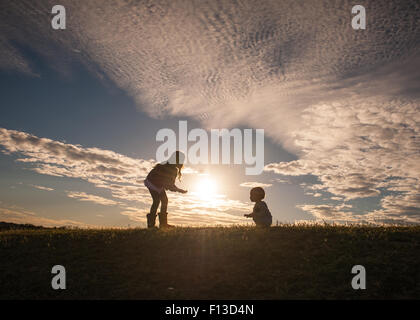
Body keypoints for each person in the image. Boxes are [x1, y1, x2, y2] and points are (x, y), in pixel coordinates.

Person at [144, 151, 187, 228]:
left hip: (158, 183)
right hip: (151, 182)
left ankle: (162, 224)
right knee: (157, 200)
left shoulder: (172, 168)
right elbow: (169, 185)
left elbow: (169, 184)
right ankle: (153, 224)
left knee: (164, 200)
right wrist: (179, 190)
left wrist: (177, 189)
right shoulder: (168, 168)